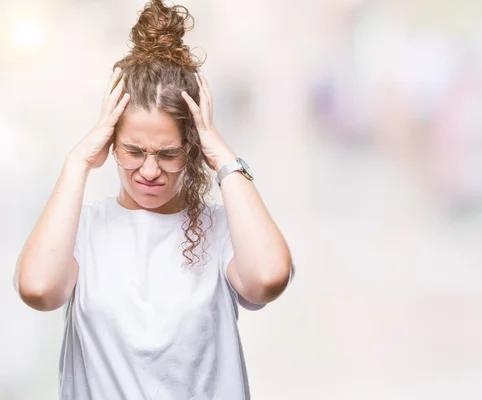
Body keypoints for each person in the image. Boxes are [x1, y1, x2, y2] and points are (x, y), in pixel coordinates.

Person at [13, 1, 294, 399]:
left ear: (192, 149)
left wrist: (223, 157)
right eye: (133, 151)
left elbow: (268, 279)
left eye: (168, 154)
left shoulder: (221, 229)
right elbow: (38, 289)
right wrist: (76, 163)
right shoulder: (83, 229)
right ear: (110, 143)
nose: (149, 171)